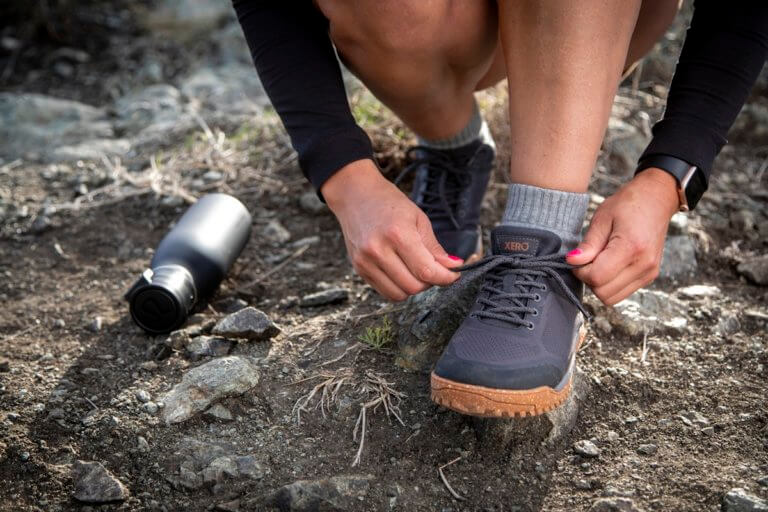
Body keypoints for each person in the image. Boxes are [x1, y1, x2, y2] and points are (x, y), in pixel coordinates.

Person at [233, 1, 768, 417]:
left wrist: (670, 175)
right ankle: (455, 145)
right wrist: (346, 177)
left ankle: (544, 233)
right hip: (453, 26)